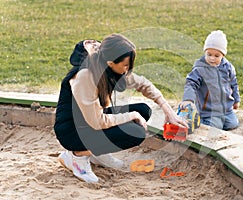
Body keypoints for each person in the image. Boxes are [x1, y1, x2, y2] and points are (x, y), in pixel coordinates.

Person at [54, 33, 188, 183]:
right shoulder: (85, 76)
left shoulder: (106, 63)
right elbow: (97, 122)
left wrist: (168, 111)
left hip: (90, 122)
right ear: (111, 63)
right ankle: (76, 157)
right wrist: (131, 115)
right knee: (136, 132)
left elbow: (142, 83)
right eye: (125, 65)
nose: (127, 70)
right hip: (72, 131)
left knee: (143, 111)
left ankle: (98, 154)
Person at [179, 30, 240, 131]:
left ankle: (221, 119)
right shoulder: (200, 68)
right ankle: (199, 119)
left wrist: (236, 100)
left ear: (223, 55)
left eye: (217, 56)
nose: (212, 58)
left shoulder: (228, 67)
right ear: (205, 52)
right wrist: (188, 99)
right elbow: (191, 83)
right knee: (215, 126)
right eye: (209, 54)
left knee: (232, 124)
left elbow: (234, 84)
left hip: (226, 109)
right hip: (209, 110)